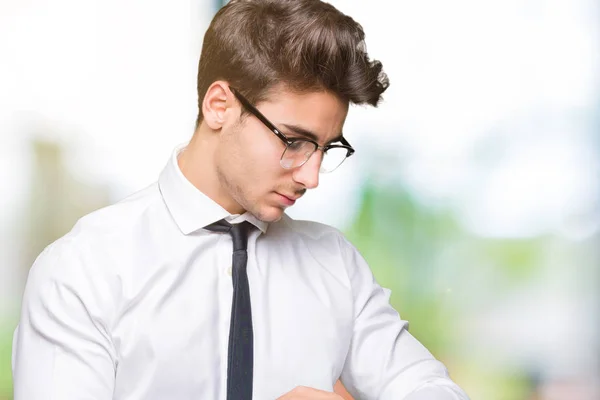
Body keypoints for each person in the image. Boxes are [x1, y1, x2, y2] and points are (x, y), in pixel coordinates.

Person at [12, 0, 470, 399]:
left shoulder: (336, 267)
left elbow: (431, 389)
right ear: (219, 106)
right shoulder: (84, 269)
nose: (311, 177)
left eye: (326, 148)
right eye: (293, 140)